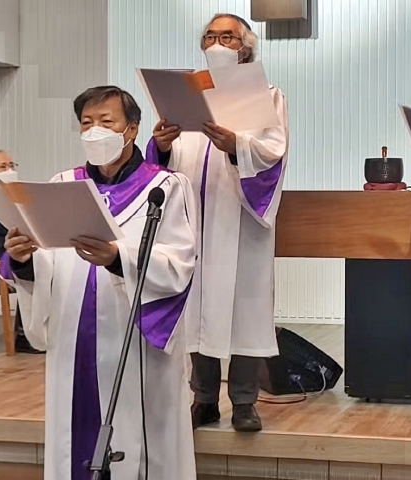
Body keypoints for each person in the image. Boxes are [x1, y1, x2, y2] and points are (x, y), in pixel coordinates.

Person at [4, 86, 198, 480]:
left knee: (142, 443)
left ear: (132, 129)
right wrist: (23, 259)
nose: (95, 131)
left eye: (106, 122)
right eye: (86, 123)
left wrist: (117, 258)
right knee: (75, 437)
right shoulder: (63, 184)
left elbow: (179, 264)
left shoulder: (166, 187)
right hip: (74, 337)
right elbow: (49, 258)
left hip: (134, 340)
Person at [148, 13, 289, 432]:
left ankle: (244, 402)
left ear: (246, 46)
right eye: (210, 36)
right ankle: (204, 399)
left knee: (245, 310)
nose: (217, 43)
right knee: (196, 308)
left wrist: (235, 145)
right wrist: (161, 146)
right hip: (192, 217)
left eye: (227, 36)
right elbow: (165, 164)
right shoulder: (188, 95)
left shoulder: (265, 95)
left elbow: (273, 152)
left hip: (239, 218)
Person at [0, 150, 41, 354]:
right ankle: (25, 334)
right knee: (25, 262)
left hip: (20, 247)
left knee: (44, 261)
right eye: (2, 167)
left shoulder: (19, 196)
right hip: (2, 252)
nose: (9, 170)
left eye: (11, 165)